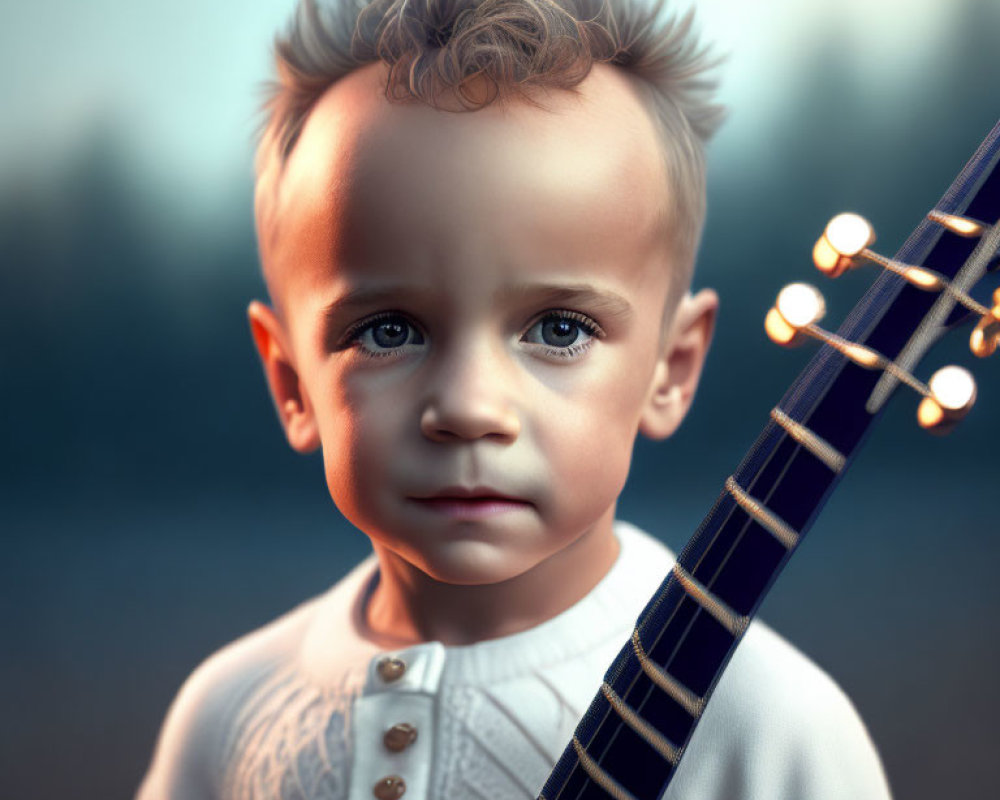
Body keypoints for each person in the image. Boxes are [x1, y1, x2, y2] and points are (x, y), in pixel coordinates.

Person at [137, 0, 892, 797]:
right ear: (292, 384)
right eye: (390, 332)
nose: (467, 407)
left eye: (559, 329)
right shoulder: (225, 717)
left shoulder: (768, 726)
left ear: (670, 368)